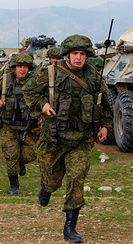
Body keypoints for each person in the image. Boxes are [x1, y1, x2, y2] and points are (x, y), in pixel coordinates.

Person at [23, 34, 113, 243]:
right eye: (75, 54)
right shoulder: (50, 73)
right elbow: (29, 91)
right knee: (53, 181)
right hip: (53, 138)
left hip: (81, 139)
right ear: (67, 55)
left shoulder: (94, 76)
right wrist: (42, 104)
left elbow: (105, 104)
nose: (79, 58)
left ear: (87, 56)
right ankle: (46, 188)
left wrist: (106, 126)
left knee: (76, 178)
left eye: (82, 54)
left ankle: (70, 227)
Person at [0, 53, 37, 196]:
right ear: (14, 68)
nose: (22, 70)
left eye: (25, 67)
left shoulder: (34, 82)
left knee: (33, 153)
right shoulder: (4, 81)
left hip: (27, 127)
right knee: (11, 156)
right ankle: (13, 184)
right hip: (7, 125)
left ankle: (19, 163)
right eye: (19, 67)